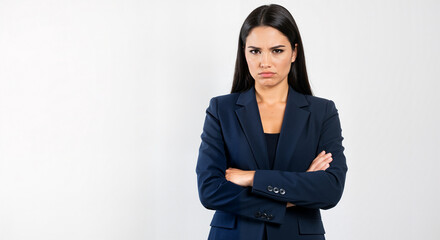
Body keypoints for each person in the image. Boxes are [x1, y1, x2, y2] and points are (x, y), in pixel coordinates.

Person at [195, 4, 347, 240]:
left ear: (294, 52)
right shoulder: (220, 109)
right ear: (244, 52)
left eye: (277, 51)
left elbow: (330, 190)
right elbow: (210, 191)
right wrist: (296, 192)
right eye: (255, 51)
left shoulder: (322, 112)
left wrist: (251, 177)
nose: (265, 62)